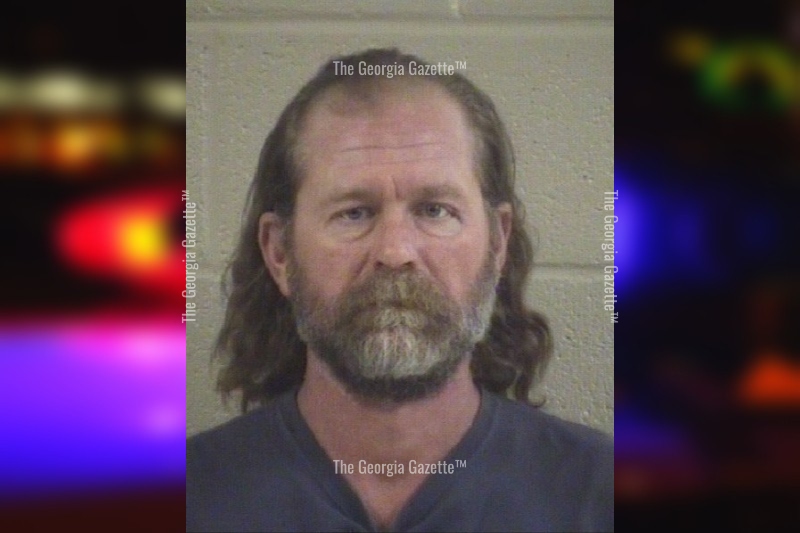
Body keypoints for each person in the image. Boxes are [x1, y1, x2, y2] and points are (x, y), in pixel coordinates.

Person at [186, 48, 613, 532]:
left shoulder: (600, 495)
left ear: (498, 243)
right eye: (353, 213)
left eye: (435, 210)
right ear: (280, 252)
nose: (395, 252)